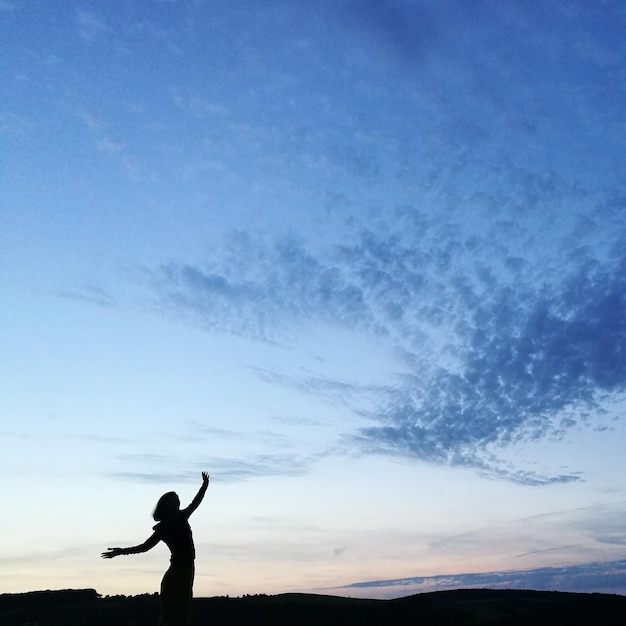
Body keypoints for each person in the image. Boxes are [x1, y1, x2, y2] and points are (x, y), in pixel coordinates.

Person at [102, 472, 210, 626]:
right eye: (171, 503)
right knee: (171, 614)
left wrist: (204, 485)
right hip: (177, 572)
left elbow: (196, 502)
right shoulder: (163, 529)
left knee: (183, 612)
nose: (175, 505)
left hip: (187, 570)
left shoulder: (182, 516)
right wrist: (120, 551)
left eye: (176, 502)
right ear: (164, 507)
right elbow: (144, 547)